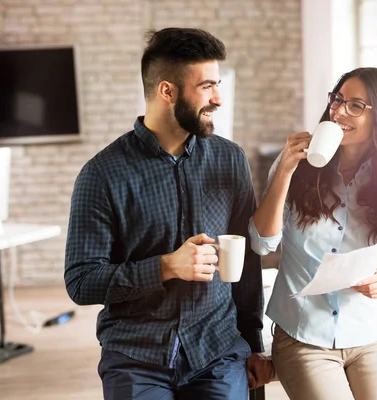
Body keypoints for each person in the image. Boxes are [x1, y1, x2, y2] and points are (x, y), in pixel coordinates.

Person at [64, 27, 274, 399]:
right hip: (135, 354)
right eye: (207, 86)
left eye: (218, 84)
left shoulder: (230, 159)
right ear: (167, 91)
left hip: (218, 349)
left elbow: (247, 265)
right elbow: (81, 281)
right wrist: (165, 266)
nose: (219, 99)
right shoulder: (102, 174)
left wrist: (254, 343)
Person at [249, 67, 377, 400]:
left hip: (368, 333)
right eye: (337, 100)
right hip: (303, 333)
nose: (338, 111)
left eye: (355, 106)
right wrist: (285, 170)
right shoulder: (297, 166)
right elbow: (262, 243)